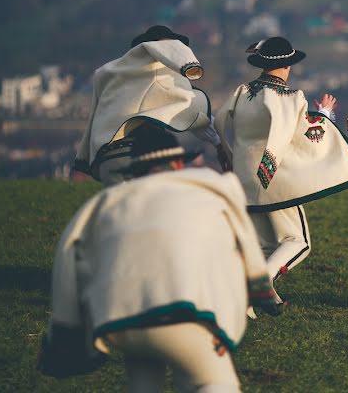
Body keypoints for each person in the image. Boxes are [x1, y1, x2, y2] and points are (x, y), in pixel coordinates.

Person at [38, 128, 279, 392]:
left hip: (118, 317)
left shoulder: (106, 203)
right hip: (186, 312)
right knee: (215, 382)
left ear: (136, 169)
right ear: (178, 163)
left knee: (144, 380)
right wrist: (262, 293)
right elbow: (247, 245)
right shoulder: (214, 191)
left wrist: (65, 331)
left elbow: (69, 255)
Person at [214, 37, 348, 311]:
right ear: (287, 65)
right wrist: (323, 112)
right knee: (298, 242)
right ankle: (261, 284)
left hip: (243, 176)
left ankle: (247, 306)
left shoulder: (241, 93)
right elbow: (306, 135)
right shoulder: (290, 97)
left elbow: (220, 121)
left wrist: (226, 156)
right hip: (272, 177)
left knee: (264, 246)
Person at [74, 25, 222, 186]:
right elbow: (193, 110)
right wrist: (219, 143)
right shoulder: (157, 73)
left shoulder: (116, 74)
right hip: (137, 158)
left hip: (105, 159)